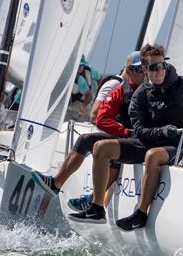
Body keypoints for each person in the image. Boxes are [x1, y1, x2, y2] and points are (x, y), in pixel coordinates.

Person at [110, 45, 183, 231]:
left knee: (152, 156)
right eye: (154, 68)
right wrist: (162, 132)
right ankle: (96, 205)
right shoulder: (141, 94)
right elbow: (139, 129)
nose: (160, 71)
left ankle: (140, 214)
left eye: (162, 65)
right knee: (102, 147)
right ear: (145, 70)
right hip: (155, 142)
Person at [32, 51, 146, 222]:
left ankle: (94, 200)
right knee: (88, 141)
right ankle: (58, 185)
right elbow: (97, 116)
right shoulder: (118, 86)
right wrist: (124, 132)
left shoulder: (151, 88)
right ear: (130, 70)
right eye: (142, 69)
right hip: (127, 136)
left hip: (143, 140)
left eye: (148, 68)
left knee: (107, 147)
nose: (146, 73)